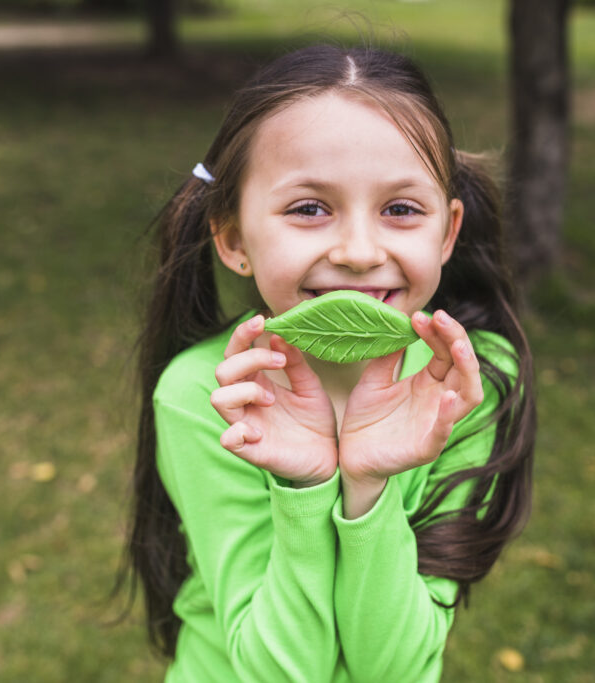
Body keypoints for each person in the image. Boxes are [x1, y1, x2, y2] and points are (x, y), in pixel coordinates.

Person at [119, 44, 537, 682]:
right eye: (309, 208)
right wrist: (306, 489)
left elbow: (393, 668)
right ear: (233, 238)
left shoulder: (467, 384)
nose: (360, 251)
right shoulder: (207, 395)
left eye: (401, 209)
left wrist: (368, 487)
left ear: (447, 233)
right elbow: (279, 671)